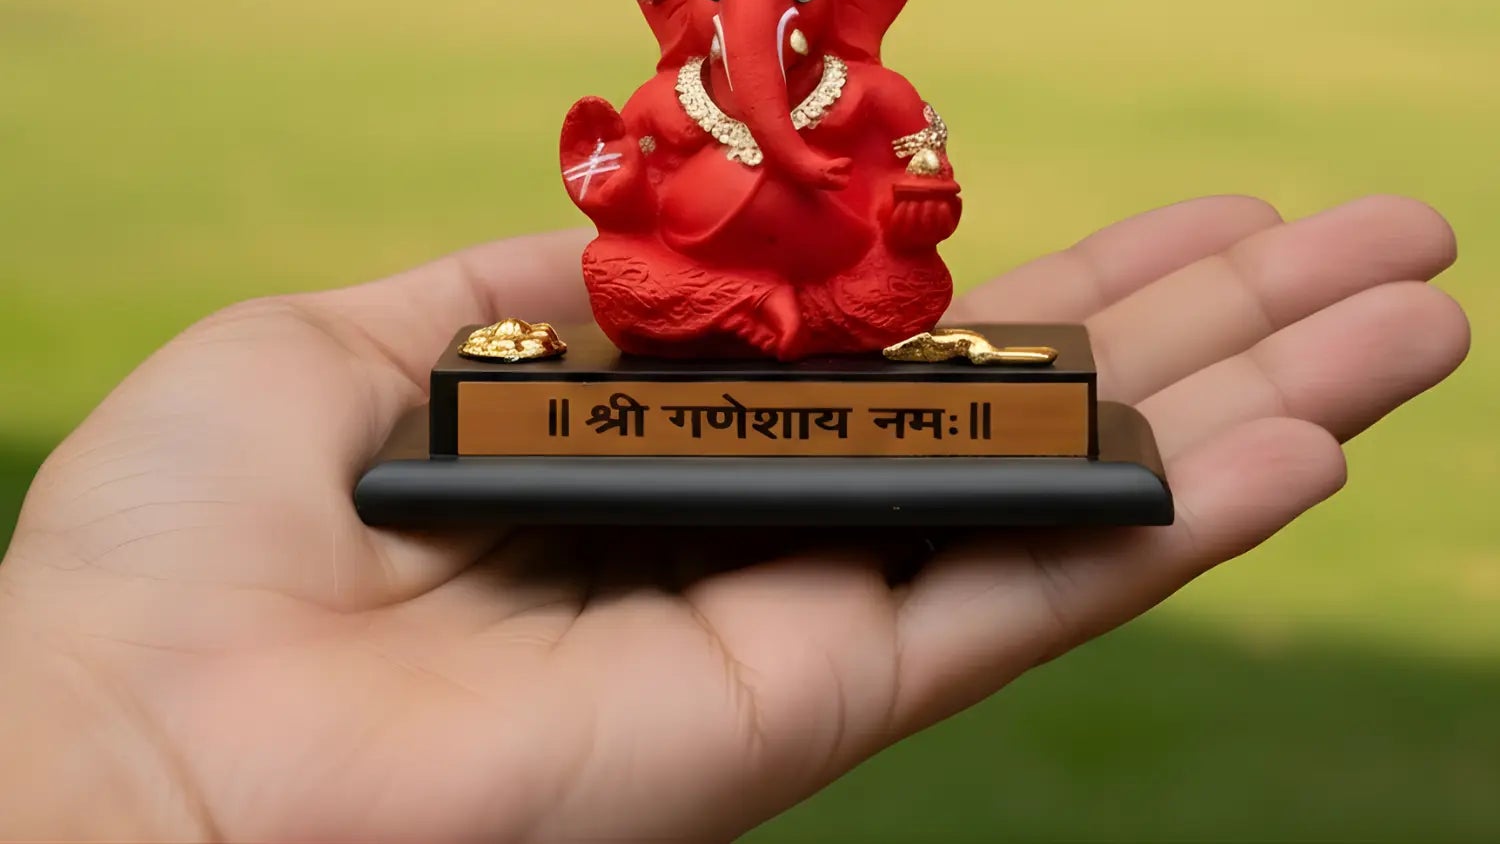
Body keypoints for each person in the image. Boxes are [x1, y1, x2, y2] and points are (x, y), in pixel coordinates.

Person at [0, 194, 1466, 842]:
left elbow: (908, 194)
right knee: (640, 283)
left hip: (838, 296)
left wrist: (888, 193)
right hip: (700, 303)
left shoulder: (855, 74)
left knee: (884, 290)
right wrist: (125, 746)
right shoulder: (683, 74)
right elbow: (632, 196)